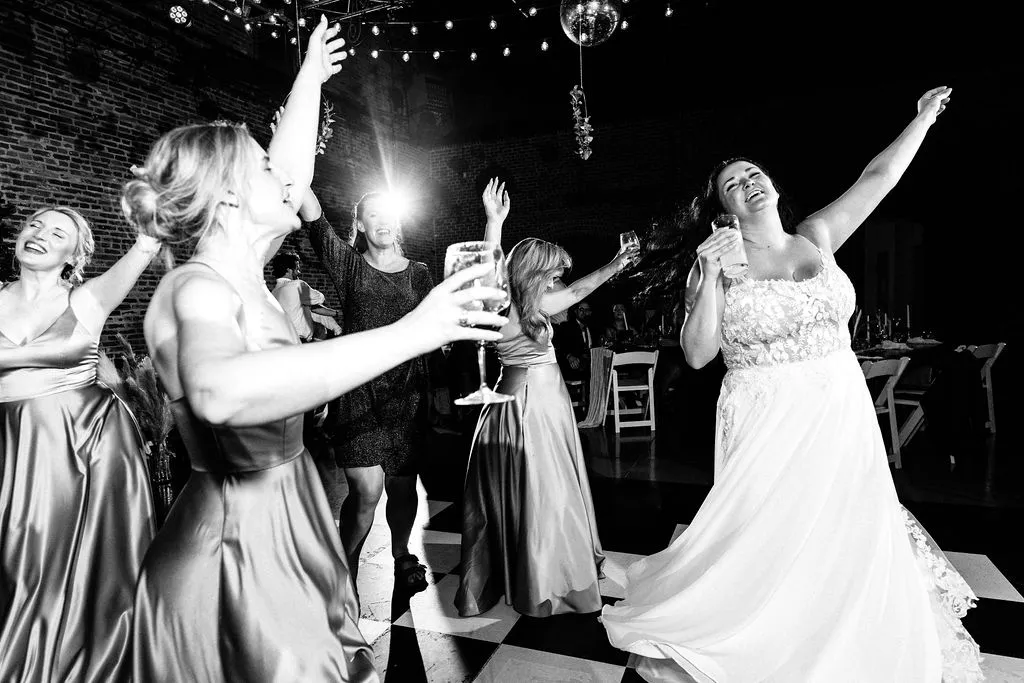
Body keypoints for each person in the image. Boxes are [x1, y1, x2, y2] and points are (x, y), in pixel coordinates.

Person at [125, 18, 508, 680]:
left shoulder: (243, 261)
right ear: (229, 197)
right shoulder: (194, 286)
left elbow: (294, 167)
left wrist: (309, 76)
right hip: (234, 550)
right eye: (263, 165)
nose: (287, 175)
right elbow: (220, 388)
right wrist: (412, 332)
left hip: (289, 521)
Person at [601, 88, 983, 682]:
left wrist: (922, 121)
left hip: (840, 407)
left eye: (753, 172)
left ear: (772, 185)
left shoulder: (817, 236)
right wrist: (704, 273)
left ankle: (843, 628)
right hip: (767, 415)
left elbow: (877, 177)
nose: (748, 181)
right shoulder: (721, 265)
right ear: (723, 210)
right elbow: (699, 354)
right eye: (733, 183)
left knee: (844, 528)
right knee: (771, 533)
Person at [456, 178, 638, 618]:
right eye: (552, 271)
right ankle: (544, 576)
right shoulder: (502, 302)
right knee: (542, 489)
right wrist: (494, 223)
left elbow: (570, 293)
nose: (559, 279)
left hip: (542, 399)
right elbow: (498, 271)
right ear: (532, 272)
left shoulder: (529, 303)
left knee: (541, 487)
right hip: (530, 403)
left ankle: (540, 563)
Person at [0, 205, 160, 681]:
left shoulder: (88, 298)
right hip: (14, 446)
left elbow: (147, 247)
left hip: (87, 445)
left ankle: (64, 655)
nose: (40, 235)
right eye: (34, 225)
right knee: (17, 554)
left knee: (60, 558)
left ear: (75, 254)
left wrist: (151, 213)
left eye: (58, 233)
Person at [302, 184, 437, 596]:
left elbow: (431, 328)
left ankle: (401, 555)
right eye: (373, 215)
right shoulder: (349, 266)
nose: (383, 222)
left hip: (407, 396)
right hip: (359, 394)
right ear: (360, 224)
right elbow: (314, 218)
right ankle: (345, 575)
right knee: (366, 491)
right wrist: (297, 169)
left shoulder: (420, 273)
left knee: (401, 486)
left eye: (389, 215)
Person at [270, 250, 338, 342]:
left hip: (282, 342)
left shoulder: (273, 292)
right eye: (297, 268)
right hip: (299, 341)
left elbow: (311, 307)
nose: (299, 272)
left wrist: (336, 313)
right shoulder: (297, 285)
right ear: (289, 270)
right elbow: (320, 298)